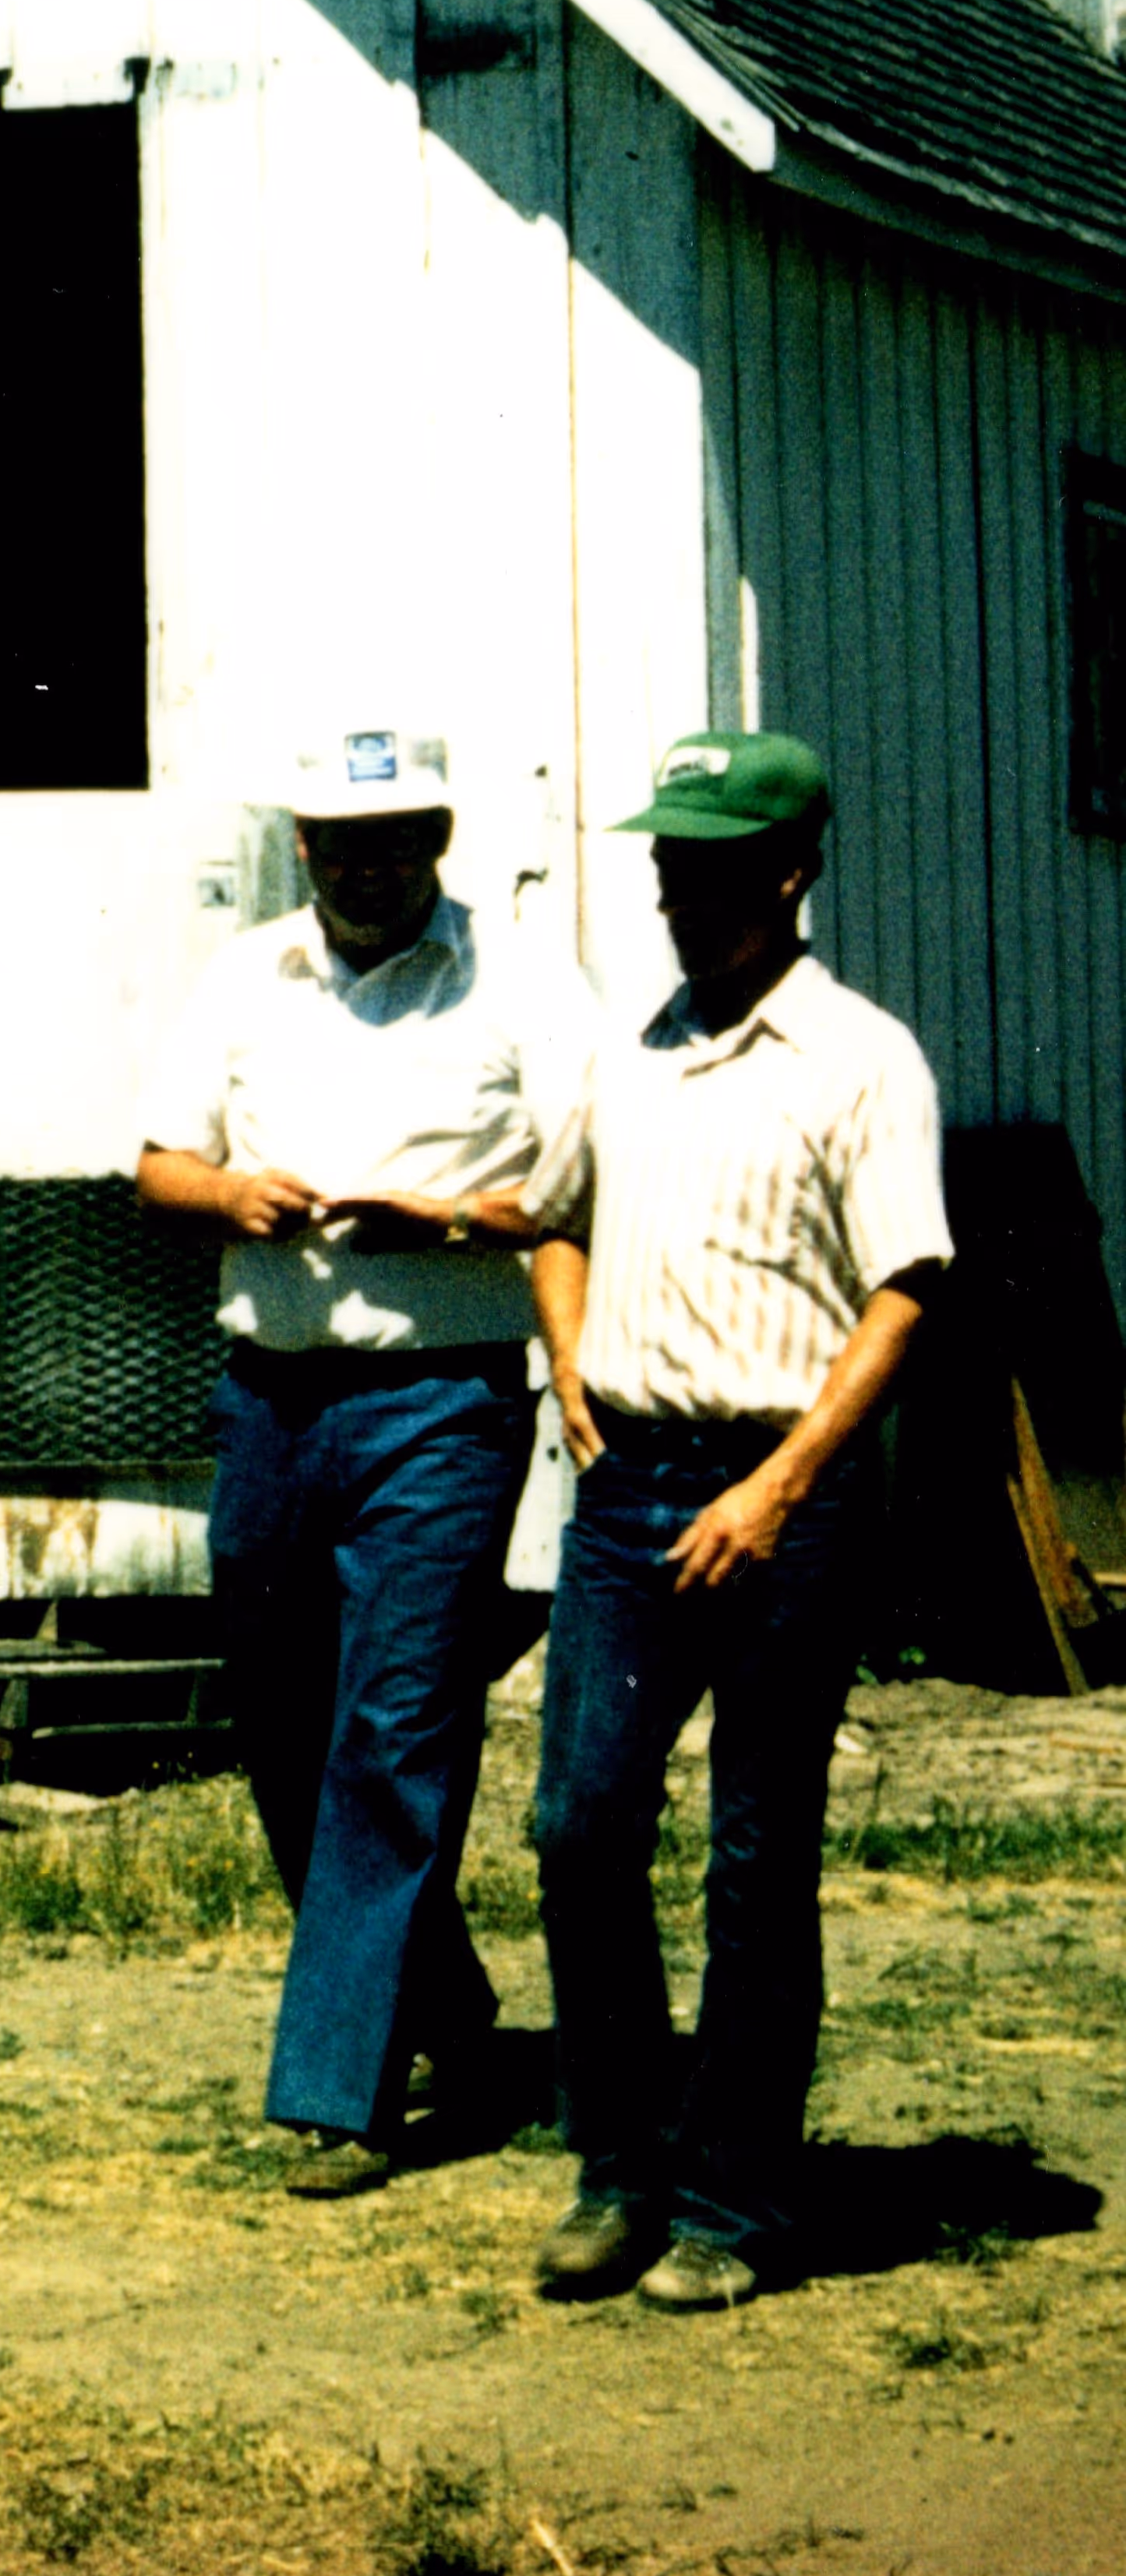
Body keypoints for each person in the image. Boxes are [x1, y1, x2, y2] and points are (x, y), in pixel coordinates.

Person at [137, 725, 592, 2196]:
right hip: (267, 1401)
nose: (370, 862)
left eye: (398, 835)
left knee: (394, 1727)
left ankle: (337, 2090)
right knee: (281, 1722)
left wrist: (453, 1221)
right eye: (342, 839)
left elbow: (588, 1177)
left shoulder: (519, 980)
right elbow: (151, 1163)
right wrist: (230, 1193)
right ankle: (443, 2008)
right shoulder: (244, 977)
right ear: (303, 847)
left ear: (440, 838)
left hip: (438, 1404)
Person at [527, 731, 950, 2312]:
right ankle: (619, 2167)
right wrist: (569, 1363)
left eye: (708, 868)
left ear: (789, 871)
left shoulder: (859, 1058)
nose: (677, 895)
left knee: (757, 1854)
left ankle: (732, 2200)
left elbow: (905, 1291)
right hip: (628, 1484)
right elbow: (554, 1216)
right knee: (581, 1826)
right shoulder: (627, 1051)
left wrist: (779, 1483)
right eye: (664, 868)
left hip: (790, 1493)